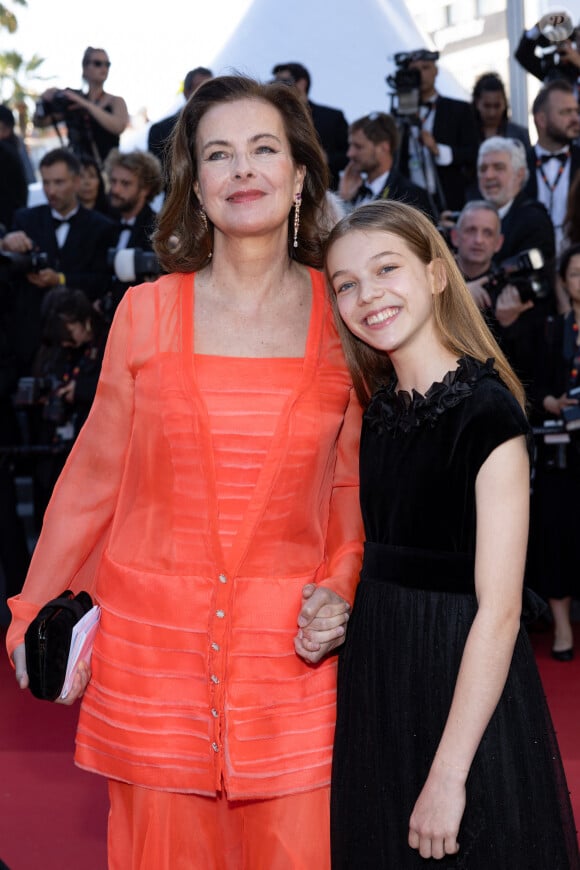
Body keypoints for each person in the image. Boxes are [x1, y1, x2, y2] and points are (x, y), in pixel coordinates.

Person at [6, 75, 363, 869]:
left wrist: (340, 584)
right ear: (195, 185)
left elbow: (349, 488)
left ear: (300, 173)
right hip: (151, 661)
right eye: (219, 154)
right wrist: (35, 607)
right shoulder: (146, 312)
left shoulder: (346, 320)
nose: (243, 169)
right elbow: (94, 479)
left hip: (292, 665)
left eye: (264, 149)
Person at [325, 199, 580, 869]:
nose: (366, 294)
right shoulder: (380, 412)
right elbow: (379, 558)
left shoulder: (486, 413)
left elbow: (498, 614)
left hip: (461, 689)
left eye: (386, 268)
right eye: (345, 283)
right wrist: (336, 605)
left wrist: (448, 774)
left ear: (437, 275)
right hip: (379, 680)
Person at [0, 148, 117, 373]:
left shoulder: (101, 227)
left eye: (59, 182)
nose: (51, 191)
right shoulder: (24, 219)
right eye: (46, 183)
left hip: (76, 343)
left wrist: (60, 279)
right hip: (27, 337)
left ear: (76, 181)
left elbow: (101, 280)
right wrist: (6, 243)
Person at [528, 243, 580, 662]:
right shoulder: (550, 329)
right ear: (563, 282)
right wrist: (550, 402)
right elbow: (532, 385)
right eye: (576, 273)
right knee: (557, 536)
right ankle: (562, 626)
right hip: (559, 457)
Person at [395, 48, 479, 213]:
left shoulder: (459, 109)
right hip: (410, 201)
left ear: (436, 71)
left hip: (448, 199)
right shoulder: (400, 113)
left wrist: (438, 150)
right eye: (414, 71)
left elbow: (473, 153)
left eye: (425, 68)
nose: (420, 75)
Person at [34, 47, 129, 166]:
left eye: (107, 64)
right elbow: (40, 122)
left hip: (107, 170)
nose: (104, 68)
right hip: (80, 171)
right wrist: (43, 101)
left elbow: (118, 127)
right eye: (98, 63)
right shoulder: (74, 102)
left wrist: (85, 104)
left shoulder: (115, 101)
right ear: (85, 68)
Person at [337, 112, 434, 218]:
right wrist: (344, 200)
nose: (350, 153)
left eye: (358, 147)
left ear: (384, 147)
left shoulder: (410, 196)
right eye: (350, 146)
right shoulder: (354, 192)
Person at [523, 79, 580, 254]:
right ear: (541, 119)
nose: (576, 119)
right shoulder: (520, 162)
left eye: (576, 111)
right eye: (565, 112)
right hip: (534, 261)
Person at [272, 62, 348, 189]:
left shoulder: (332, 117)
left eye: (285, 81)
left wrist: (326, 159)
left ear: (302, 83)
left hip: (325, 190)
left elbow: (351, 156)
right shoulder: (273, 118)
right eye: (274, 82)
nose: (279, 87)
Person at [147, 66, 213, 179]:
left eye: (212, 88)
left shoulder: (226, 126)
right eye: (201, 88)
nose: (209, 94)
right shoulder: (161, 130)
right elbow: (159, 176)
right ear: (186, 93)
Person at [471, 72, 530, 148]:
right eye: (487, 106)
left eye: (497, 106)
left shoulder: (520, 135)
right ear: (477, 104)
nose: (492, 113)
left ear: (505, 104)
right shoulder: (464, 134)